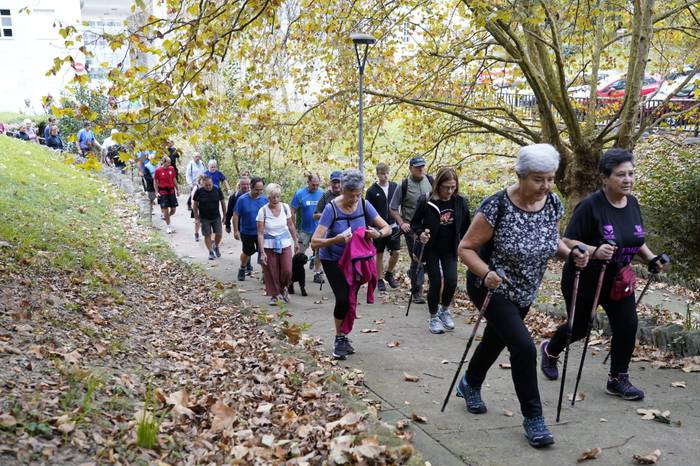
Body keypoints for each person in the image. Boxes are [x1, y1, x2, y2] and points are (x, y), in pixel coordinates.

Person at [457, 144, 588, 448]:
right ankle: (533, 418)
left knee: (497, 338)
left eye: (550, 179)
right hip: (491, 286)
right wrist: (486, 272)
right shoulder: (496, 206)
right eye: (538, 179)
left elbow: (552, 240)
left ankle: (470, 383)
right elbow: (465, 248)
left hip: (527, 288)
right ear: (520, 175)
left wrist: (571, 255)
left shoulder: (552, 203)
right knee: (524, 348)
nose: (546, 186)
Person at [540, 148, 669, 401]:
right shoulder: (590, 206)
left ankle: (618, 378)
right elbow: (567, 240)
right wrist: (594, 250)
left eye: (631, 173)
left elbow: (635, 238)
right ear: (605, 178)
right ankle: (550, 351)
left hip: (619, 279)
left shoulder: (632, 203)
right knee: (578, 328)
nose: (628, 179)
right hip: (586, 276)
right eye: (621, 175)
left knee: (627, 326)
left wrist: (651, 258)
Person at [311, 169, 391, 360]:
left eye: (358, 194)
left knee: (351, 300)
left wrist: (377, 234)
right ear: (343, 191)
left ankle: (344, 336)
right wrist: (335, 239)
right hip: (332, 260)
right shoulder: (331, 209)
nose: (355, 199)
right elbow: (314, 242)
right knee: (343, 298)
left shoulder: (364, 204)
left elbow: (386, 227)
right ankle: (339, 338)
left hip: (355, 261)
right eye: (351, 195)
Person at [412, 167, 471, 334]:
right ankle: (433, 317)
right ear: (438, 185)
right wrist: (420, 233)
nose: (450, 191)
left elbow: (467, 227)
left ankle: (444, 310)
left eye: (453, 187)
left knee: (452, 280)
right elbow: (415, 223)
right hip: (431, 248)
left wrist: (468, 246)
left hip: (450, 248)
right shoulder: (426, 201)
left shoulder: (460, 202)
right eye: (446, 187)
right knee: (436, 282)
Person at [390, 156, 434, 303]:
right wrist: (402, 223)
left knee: (429, 257)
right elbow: (393, 208)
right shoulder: (404, 185)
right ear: (411, 168)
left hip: (429, 228)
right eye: (417, 167)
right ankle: (417, 291)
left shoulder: (430, 181)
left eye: (422, 166)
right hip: (411, 229)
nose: (421, 169)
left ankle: (419, 279)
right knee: (417, 258)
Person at [257, 183, 300, 305]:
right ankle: (275, 295)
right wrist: (262, 252)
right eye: (273, 197)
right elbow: (260, 233)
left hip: (284, 243)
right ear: (268, 197)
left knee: (287, 270)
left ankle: (284, 287)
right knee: (272, 271)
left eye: (277, 196)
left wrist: (296, 241)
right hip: (268, 245)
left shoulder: (285, 208)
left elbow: (291, 225)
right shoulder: (263, 211)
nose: (275, 199)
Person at [366, 163, 400, 292]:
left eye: (386, 173)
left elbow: (400, 203)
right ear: (378, 174)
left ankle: (389, 273)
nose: (385, 176)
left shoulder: (395, 187)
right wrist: (370, 227)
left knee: (396, 252)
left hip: (393, 225)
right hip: (378, 227)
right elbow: (367, 209)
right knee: (379, 254)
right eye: (382, 173)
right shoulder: (372, 191)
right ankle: (380, 280)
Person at [233, 177, 267, 281]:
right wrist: (235, 230)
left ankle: (265, 274)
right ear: (251, 188)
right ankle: (242, 268)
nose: (259, 192)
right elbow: (236, 215)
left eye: (261, 189)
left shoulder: (264, 199)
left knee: (263, 252)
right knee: (247, 252)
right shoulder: (242, 199)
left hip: (261, 231)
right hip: (247, 231)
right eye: (257, 189)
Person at [312, 170, 343, 284]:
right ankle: (317, 273)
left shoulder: (347, 195)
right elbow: (315, 215)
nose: (336, 185)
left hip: (343, 230)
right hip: (327, 230)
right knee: (320, 251)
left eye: (338, 182)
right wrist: (329, 215)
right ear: (331, 183)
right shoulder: (326, 196)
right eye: (334, 182)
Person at [291, 174, 323, 280]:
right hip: (303, 230)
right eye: (313, 185)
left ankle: (317, 273)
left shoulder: (322, 193)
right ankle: (294, 272)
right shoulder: (300, 194)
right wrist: (294, 228)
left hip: (318, 229)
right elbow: (292, 211)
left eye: (317, 185)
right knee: (299, 253)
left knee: (320, 252)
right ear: (308, 182)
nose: (315, 187)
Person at [192, 174, 227, 260]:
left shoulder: (217, 190)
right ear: (203, 184)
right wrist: (196, 217)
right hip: (204, 218)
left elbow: (222, 202)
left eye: (209, 185)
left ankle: (215, 246)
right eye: (206, 185)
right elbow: (195, 205)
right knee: (207, 235)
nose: (208, 187)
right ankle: (210, 252)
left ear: (212, 183)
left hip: (216, 216)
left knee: (219, 233)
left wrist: (225, 215)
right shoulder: (199, 192)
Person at [225, 176, 253, 273]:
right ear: (239, 185)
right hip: (241, 225)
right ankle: (247, 264)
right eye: (243, 184)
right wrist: (228, 225)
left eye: (247, 184)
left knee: (250, 246)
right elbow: (229, 212)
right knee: (246, 245)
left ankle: (247, 263)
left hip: (252, 224)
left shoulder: (253, 196)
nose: (245, 186)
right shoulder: (234, 197)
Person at [154, 156, 179, 234]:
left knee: (173, 210)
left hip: (171, 191)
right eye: (168, 162)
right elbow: (155, 181)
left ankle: (166, 216)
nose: (170, 163)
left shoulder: (171, 168)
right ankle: (168, 227)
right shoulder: (158, 170)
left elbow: (174, 179)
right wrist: (156, 192)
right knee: (165, 210)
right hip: (163, 192)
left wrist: (177, 189)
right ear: (163, 162)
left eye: (170, 162)